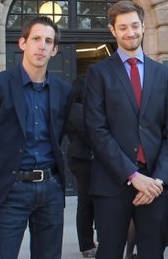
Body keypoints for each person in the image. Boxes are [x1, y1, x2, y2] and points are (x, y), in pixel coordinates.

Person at [84, 0, 168, 258]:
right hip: (112, 184)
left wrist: (158, 181)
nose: (130, 32)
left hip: (155, 185)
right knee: (110, 252)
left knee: (153, 253)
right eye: (123, 27)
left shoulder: (163, 74)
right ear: (113, 31)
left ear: (144, 26)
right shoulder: (98, 73)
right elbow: (97, 130)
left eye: (135, 25)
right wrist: (132, 175)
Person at [0, 16, 72, 259]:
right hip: (11, 189)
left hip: (51, 188)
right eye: (36, 39)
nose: (41, 46)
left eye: (48, 41)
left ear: (54, 50)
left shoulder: (64, 91)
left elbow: (60, 134)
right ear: (22, 43)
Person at [65, 75, 97, 258]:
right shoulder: (75, 109)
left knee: (92, 202)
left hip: (89, 159)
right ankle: (86, 244)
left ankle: (90, 241)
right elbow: (89, 132)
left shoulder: (85, 107)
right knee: (85, 202)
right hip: (83, 160)